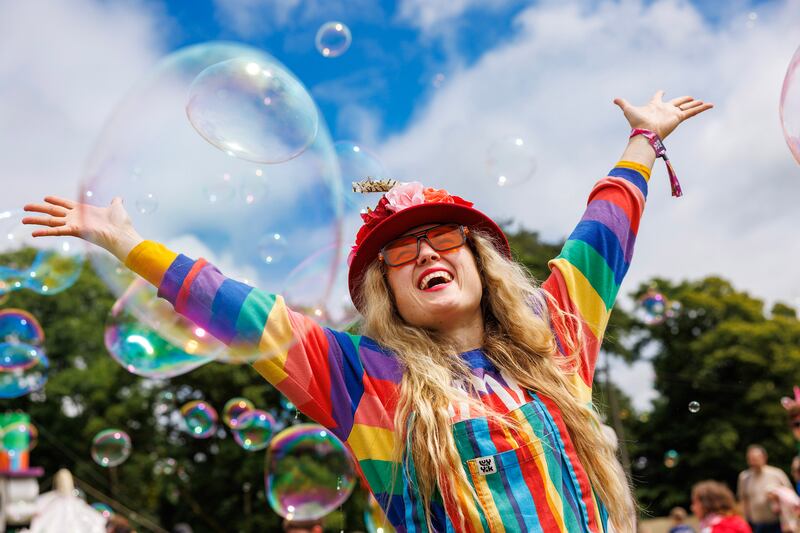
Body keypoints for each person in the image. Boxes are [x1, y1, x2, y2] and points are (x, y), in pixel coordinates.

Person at [22, 90, 712, 532]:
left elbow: (603, 236)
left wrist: (643, 142)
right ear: (387, 292)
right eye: (400, 254)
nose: (425, 256)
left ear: (478, 258)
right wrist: (128, 243)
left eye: (442, 238)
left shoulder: (554, 335)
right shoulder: (364, 380)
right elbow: (248, 316)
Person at [738, 445, 793, 533]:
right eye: (751, 459)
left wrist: (777, 497)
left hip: (777, 523)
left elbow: (791, 497)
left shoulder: (777, 474)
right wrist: (744, 521)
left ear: (764, 457)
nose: (753, 462)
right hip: (755, 524)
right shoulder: (744, 477)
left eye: (756, 458)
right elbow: (743, 500)